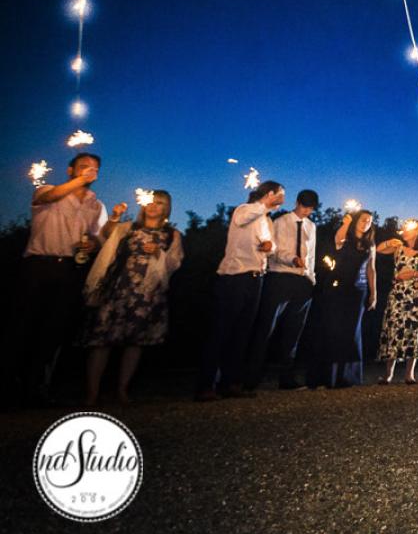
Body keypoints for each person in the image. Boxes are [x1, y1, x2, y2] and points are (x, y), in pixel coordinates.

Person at [8, 152, 123, 406]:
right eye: (84, 166)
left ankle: (36, 389)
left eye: (94, 168)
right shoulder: (48, 190)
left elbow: (99, 238)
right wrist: (79, 181)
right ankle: (8, 388)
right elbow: (48, 197)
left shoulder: (96, 205)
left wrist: (97, 239)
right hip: (38, 266)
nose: (90, 171)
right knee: (22, 325)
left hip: (70, 270)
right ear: (71, 171)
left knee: (54, 329)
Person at [80, 189, 183, 407]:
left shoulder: (172, 234)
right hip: (119, 289)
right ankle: (92, 393)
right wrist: (115, 217)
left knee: (135, 341)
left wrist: (157, 253)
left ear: (166, 208)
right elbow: (106, 236)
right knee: (102, 340)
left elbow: (175, 262)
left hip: (147, 293)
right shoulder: (128, 228)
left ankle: (122, 391)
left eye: (160, 203)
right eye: (151, 202)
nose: (153, 206)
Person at [197, 181, 284, 401]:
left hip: (256, 278)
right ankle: (206, 385)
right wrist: (264, 203)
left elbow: (271, 245)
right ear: (269, 194)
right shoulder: (244, 210)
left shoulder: (266, 220)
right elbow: (243, 220)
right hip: (235, 277)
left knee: (242, 333)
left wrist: (270, 247)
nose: (282, 199)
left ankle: (230, 383)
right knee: (221, 331)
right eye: (279, 195)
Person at [244, 188, 319, 391]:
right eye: (304, 207)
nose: (306, 211)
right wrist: (291, 259)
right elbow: (273, 251)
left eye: (310, 209)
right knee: (266, 328)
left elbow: (311, 255)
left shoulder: (311, 226)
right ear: (297, 203)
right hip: (280, 278)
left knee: (293, 331)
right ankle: (250, 378)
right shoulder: (280, 222)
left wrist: (311, 278)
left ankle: (287, 378)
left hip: (302, 281)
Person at [307, 208, 377, 389]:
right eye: (363, 220)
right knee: (334, 328)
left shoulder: (370, 244)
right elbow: (337, 240)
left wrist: (373, 293)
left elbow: (371, 268)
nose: (366, 223)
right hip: (338, 288)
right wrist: (346, 222)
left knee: (352, 331)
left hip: (359, 290)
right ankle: (328, 376)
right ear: (356, 221)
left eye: (369, 221)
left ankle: (347, 376)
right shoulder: (346, 237)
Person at [376, 219, 418, 384]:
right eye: (404, 228)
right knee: (393, 329)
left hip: (416, 296)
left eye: (409, 228)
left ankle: (409, 374)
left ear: (417, 231)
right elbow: (378, 249)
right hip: (398, 294)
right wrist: (389, 242)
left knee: (413, 331)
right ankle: (388, 374)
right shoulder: (398, 247)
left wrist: (413, 274)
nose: (405, 230)